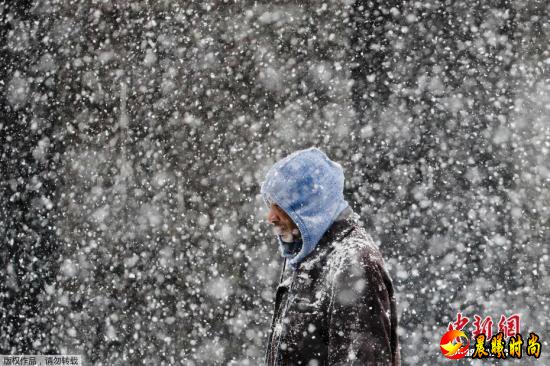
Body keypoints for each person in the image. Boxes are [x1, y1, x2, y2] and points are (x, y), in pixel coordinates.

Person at [260, 147, 401, 365]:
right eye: (270, 205)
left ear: (309, 205)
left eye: (281, 206)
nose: (271, 217)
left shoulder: (354, 262)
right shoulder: (308, 259)